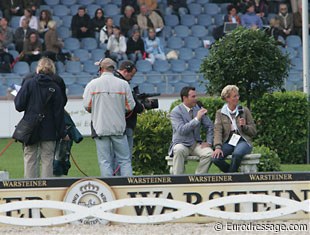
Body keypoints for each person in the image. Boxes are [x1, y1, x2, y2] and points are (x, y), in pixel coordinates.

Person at [14, 57, 68, 178]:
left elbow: (19, 105)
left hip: (31, 127)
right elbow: (58, 114)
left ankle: (30, 190)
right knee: (47, 159)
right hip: (49, 128)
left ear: (38, 68)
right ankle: (46, 191)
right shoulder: (56, 87)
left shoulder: (29, 83)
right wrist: (63, 133)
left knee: (30, 158)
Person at [83, 58, 135, 177]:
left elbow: (87, 105)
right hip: (118, 126)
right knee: (124, 160)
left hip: (100, 127)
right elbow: (130, 105)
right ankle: (127, 187)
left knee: (105, 161)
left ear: (101, 69)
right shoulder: (123, 84)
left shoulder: (92, 84)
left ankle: (109, 189)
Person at [168, 86, 214, 175]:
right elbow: (181, 130)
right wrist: (197, 119)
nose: (196, 99)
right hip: (181, 143)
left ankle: (198, 179)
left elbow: (209, 126)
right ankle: (178, 180)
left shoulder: (198, 108)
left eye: (196, 96)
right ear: (185, 98)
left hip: (195, 144)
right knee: (178, 150)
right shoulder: (175, 112)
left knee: (209, 153)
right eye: (193, 97)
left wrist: (209, 142)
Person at [212, 85, 257, 173]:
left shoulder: (244, 110)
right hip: (229, 141)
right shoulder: (220, 113)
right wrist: (218, 147)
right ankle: (232, 174)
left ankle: (230, 178)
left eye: (238, 95)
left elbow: (253, 131)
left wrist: (245, 126)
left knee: (237, 154)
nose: (237, 98)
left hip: (243, 140)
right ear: (227, 99)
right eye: (234, 96)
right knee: (215, 158)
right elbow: (217, 131)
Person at [114, 60, 144, 160]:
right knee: (125, 158)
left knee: (110, 158)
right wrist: (141, 107)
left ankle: (112, 176)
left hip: (112, 125)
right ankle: (123, 176)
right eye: (131, 75)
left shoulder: (113, 80)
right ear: (125, 71)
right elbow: (133, 105)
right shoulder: (123, 84)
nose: (131, 79)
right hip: (125, 124)